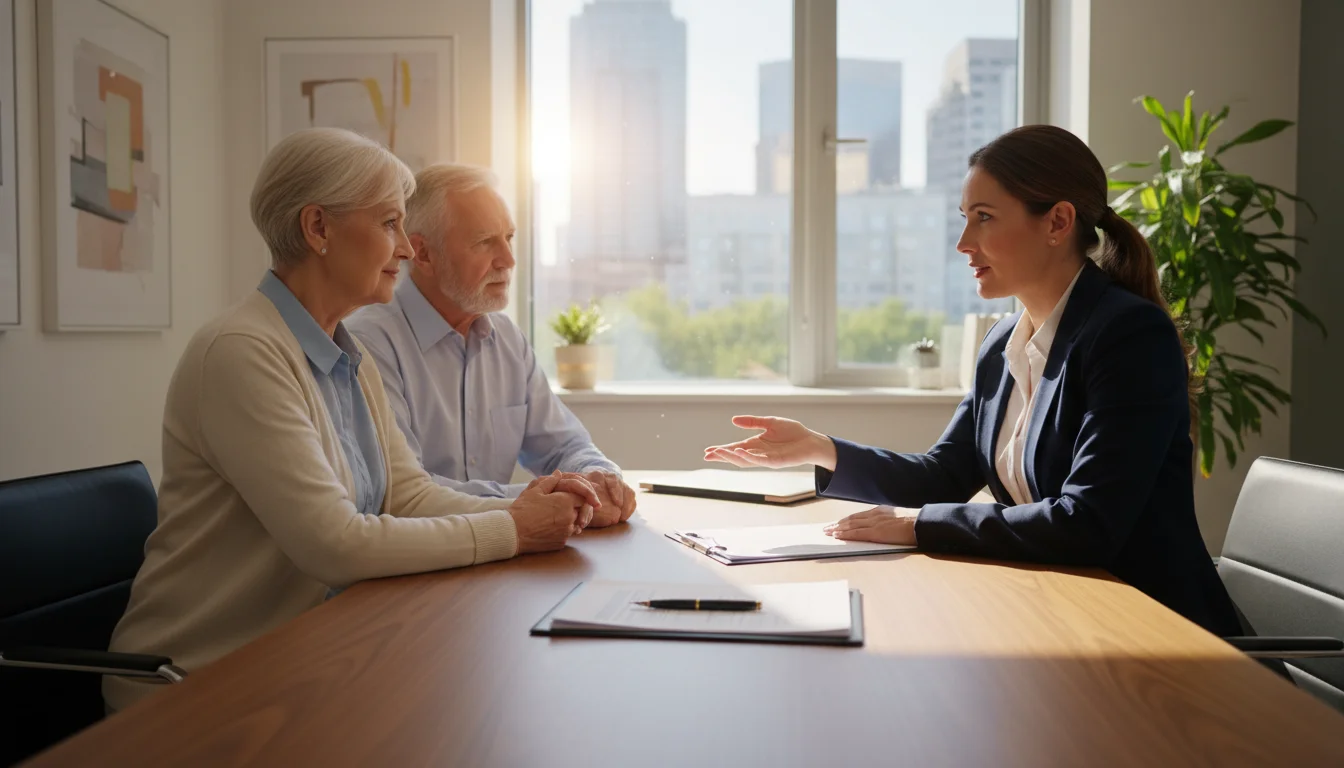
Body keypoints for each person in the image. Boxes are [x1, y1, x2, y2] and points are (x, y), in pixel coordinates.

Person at [105, 129, 602, 712]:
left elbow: (408, 494)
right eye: (390, 224)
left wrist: (531, 510)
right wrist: (515, 530)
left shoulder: (343, 352)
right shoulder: (242, 351)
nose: (408, 250)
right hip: (197, 685)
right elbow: (335, 544)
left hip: (305, 658)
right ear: (318, 229)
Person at [704, 125, 1241, 637]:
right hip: (1057, 612)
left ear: (1057, 223)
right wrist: (820, 449)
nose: (963, 242)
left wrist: (919, 526)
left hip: (1156, 630)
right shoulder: (1000, 342)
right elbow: (942, 476)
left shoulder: (1127, 335)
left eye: (984, 218)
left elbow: (1089, 523)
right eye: (965, 218)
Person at [347, 163, 636, 526]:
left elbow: (565, 446)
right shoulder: (369, 344)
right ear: (423, 254)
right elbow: (402, 494)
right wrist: (551, 497)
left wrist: (598, 477)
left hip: (500, 555)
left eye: (509, 238)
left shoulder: (508, 340)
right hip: (418, 564)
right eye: (485, 242)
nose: (508, 260)